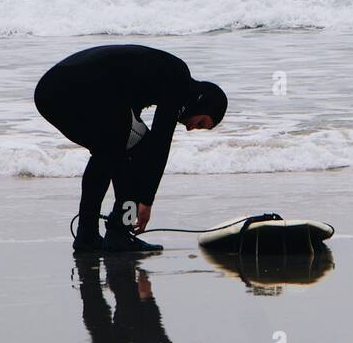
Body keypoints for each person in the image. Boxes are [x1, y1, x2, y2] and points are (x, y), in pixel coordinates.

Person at [35, 44, 226, 253]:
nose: (190, 128)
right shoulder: (177, 77)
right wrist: (146, 200)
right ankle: (119, 231)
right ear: (202, 102)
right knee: (138, 147)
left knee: (109, 152)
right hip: (72, 90)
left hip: (50, 93)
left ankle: (88, 236)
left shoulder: (147, 80)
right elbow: (160, 143)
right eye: (200, 123)